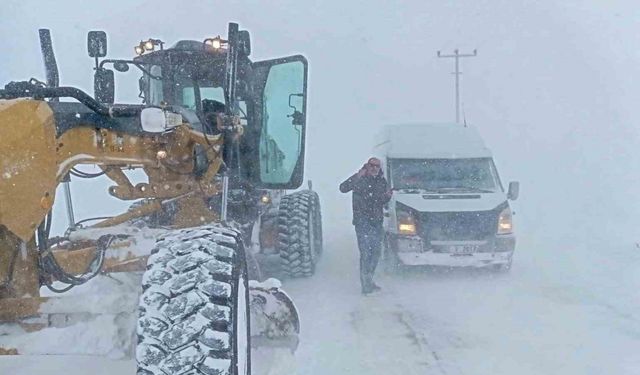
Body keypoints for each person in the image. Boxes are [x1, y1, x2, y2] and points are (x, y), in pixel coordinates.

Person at [339, 157, 392, 295]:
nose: (374, 168)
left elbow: (381, 200)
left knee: (375, 253)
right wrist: (357, 176)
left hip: (376, 222)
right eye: (372, 165)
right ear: (367, 166)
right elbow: (343, 188)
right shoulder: (359, 179)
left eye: (377, 166)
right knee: (365, 253)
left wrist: (388, 196)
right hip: (362, 222)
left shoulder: (382, 181)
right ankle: (365, 285)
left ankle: (369, 279)